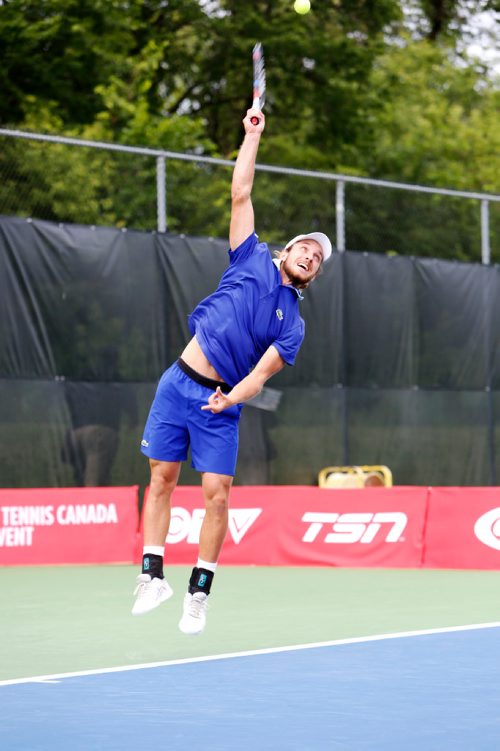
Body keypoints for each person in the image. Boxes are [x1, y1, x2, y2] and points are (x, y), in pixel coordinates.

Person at [132, 106, 332, 634]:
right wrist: (252, 136)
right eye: (306, 247)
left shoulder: (293, 324)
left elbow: (262, 375)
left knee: (216, 494)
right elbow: (240, 192)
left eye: (318, 257)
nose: (310, 255)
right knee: (161, 478)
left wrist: (231, 399)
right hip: (177, 381)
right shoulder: (250, 256)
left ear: (314, 274)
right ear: (287, 249)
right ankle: (152, 575)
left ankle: (198, 592)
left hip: (220, 402)